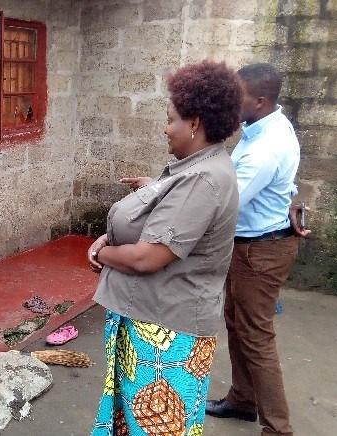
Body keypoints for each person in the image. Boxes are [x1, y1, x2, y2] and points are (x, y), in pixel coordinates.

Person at [88, 60, 243, 435]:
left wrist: (99, 254)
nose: (165, 128)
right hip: (151, 323)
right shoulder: (196, 167)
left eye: (171, 119)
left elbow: (147, 257)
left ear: (195, 123)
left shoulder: (204, 180)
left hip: (166, 338)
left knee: (156, 425)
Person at [205, 63, 308, 436]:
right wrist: (292, 196)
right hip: (250, 244)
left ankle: (278, 430)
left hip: (259, 252)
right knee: (238, 324)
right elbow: (280, 180)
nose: (231, 103)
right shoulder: (268, 124)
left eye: (239, 97)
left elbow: (223, 201)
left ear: (260, 101)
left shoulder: (265, 147)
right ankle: (243, 400)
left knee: (257, 337)